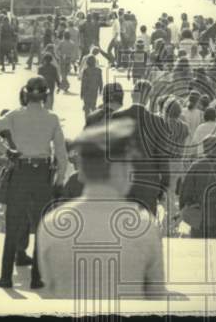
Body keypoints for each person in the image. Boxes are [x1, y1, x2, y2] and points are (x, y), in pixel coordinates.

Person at [38, 118, 166, 299]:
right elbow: (156, 296)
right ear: (117, 169)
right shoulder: (144, 225)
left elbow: (50, 293)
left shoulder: (51, 224)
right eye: (128, 164)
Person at [0, 76, 68, 290]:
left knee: (13, 224)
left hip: (20, 172)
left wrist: (7, 151)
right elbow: (61, 154)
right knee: (41, 226)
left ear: (26, 94)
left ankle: (5, 276)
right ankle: (36, 278)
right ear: (45, 96)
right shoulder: (52, 118)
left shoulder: (14, 115)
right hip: (42, 175)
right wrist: (59, 180)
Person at [111, 80, 173, 216]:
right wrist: (164, 184)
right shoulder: (157, 121)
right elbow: (162, 156)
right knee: (146, 228)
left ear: (132, 94)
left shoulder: (116, 117)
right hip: (148, 183)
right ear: (149, 98)